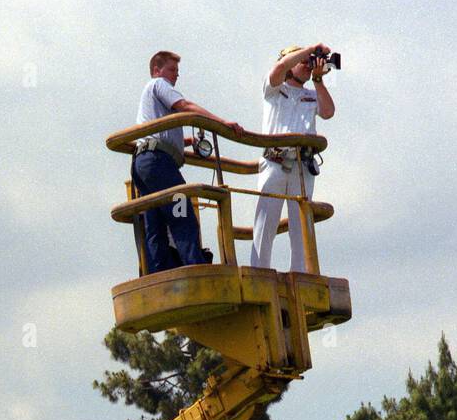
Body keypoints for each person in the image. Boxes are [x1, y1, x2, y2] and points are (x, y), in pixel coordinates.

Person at [133, 50, 243, 273]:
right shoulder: (159, 84)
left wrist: (188, 141)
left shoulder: (151, 99)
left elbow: (160, 135)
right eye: (172, 70)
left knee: (155, 221)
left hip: (144, 164)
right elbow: (185, 106)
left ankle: (160, 275)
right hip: (158, 163)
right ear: (157, 70)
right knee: (183, 212)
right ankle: (196, 270)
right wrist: (220, 122)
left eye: (177, 72)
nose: (175, 76)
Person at [250, 43, 336, 273]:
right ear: (290, 64)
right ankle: (259, 272)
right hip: (275, 162)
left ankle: (300, 274)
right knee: (266, 221)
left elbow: (328, 112)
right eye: (303, 62)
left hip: (303, 166)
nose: (308, 65)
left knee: (301, 225)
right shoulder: (274, 89)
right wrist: (310, 49)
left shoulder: (311, 94)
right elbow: (279, 68)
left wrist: (318, 80)